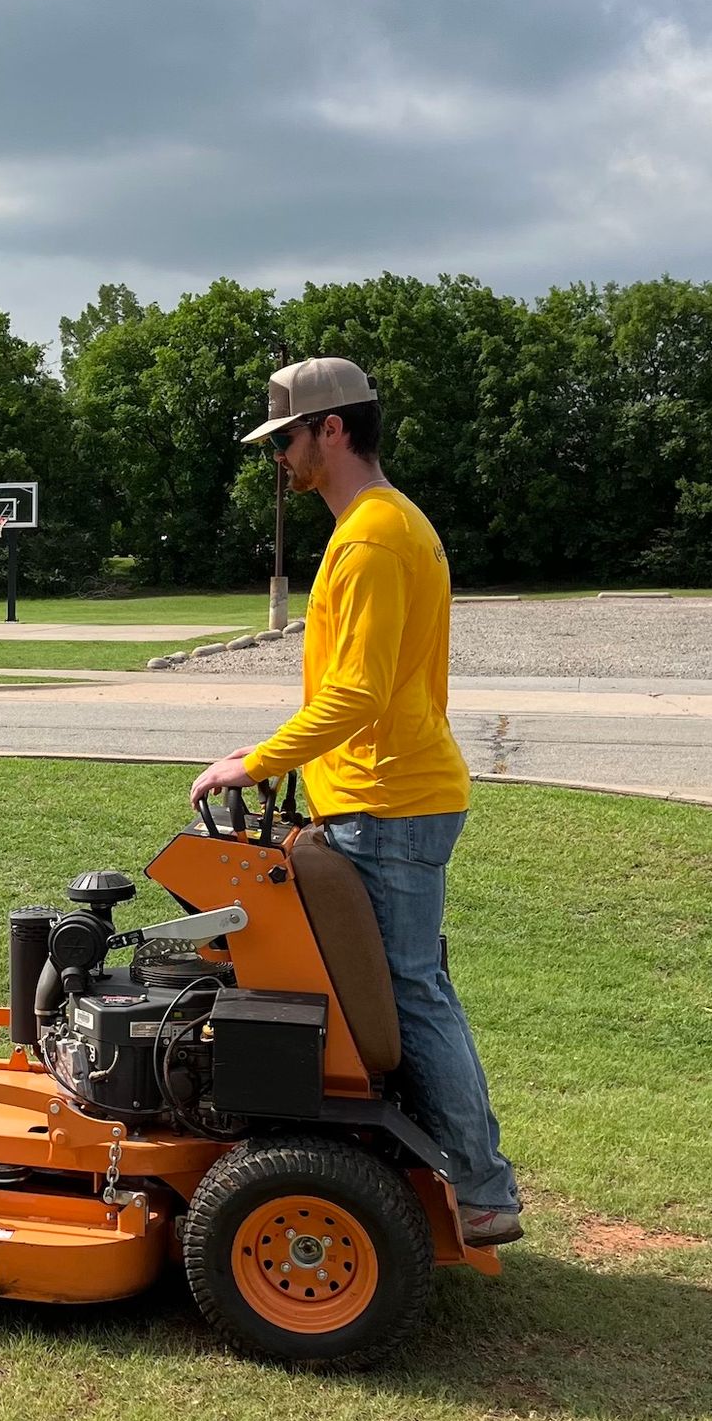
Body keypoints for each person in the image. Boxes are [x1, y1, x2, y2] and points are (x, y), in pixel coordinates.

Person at [188, 356, 523, 1245]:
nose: (278, 459)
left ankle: (483, 1190)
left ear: (331, 429)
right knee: (388, 991)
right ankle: (419, 1165)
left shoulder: (372, 538)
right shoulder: (380, 525)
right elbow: (351, 693)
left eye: (285, 440)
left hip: (390, 804)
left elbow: (360, 697)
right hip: (377, 796)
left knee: (407, 993)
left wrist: (254, 765)